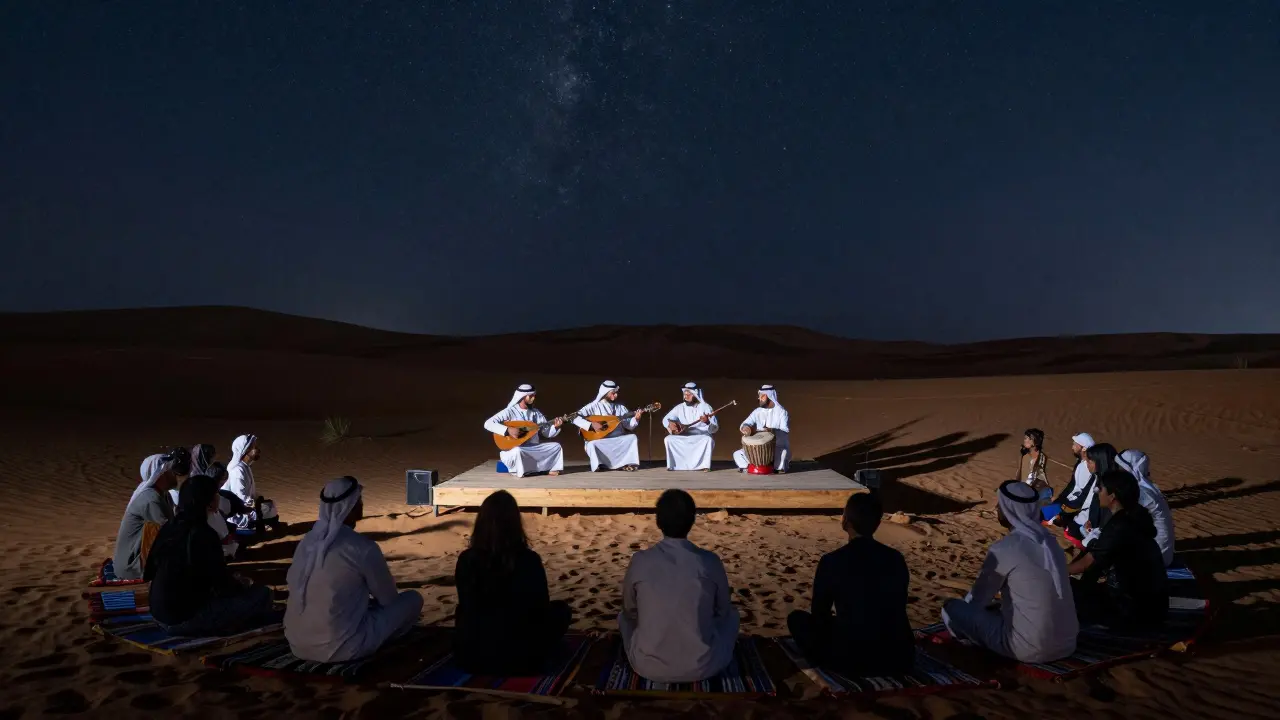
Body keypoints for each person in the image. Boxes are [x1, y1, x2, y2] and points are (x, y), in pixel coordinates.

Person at [284, 477, 424, 663]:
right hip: (344, 647)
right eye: (358, 501)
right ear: (349, 507)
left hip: (297, 644)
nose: (361, 505)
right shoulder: (361, 547)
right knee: (413, 599)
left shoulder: (306, 542)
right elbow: (388, 599)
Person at [941, 480, 1078, 664]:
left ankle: (969, 649)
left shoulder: (1005, 548)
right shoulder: (1052, 544)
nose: (997, 509)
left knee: (951, 608)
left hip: (1028, 648)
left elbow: (977, 601)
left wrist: (966, 615)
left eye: (1000, 505)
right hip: (1068, 644)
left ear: (1010, 510)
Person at [787, 492, 915, 675]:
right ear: (877, 523)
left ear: (846, 521)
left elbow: (819, 614)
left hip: (852, 660)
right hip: (900, 657)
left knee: (797, 620)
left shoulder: (832, 561)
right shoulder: (896, 558)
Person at [619, 489, 739, 683]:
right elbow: (723, 610)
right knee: (733, 617)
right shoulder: (709, 561)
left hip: (647, 666)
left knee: (624, 619)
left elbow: (629, 610)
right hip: (705, 666)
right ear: (692, 521)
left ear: (658, 522)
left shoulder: (640, 560)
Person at [453, 490, 573, 674]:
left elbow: (467, 604)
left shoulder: (467, 559)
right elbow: (540, 607)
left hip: (475, 655)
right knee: (561, 610)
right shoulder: (528, 559)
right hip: (522, 655)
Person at [144, 475, 277, 636]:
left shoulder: (170, 526)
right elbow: (222, 585)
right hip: (182, 620)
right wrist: (242, 584)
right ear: (210, 502)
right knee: (263, 594)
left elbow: (151, 569)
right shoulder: (204, 534)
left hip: (158, 614)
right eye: (216, 495)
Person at [1066, 470, 1169, 630]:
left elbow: (1086, 564)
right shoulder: (1136, 516)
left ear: (1112, 496)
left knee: (1065, 589)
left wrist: (1056, 570)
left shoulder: (1119, 526)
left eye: (1100, 489)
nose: (1097, 492)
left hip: (1133, 612)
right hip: (1155, 606)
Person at [112, 448, 190, 580]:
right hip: (132, 566)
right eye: (172, 471)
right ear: (162, 474)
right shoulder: (150, 499)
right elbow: (171, 533)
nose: (176, 475)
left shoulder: (164, 496)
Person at [483, 384, 565, 477]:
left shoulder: (536, 413)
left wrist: (556, 427)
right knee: (518, 451)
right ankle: (532, 471)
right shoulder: (509, 411)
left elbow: (546, 433)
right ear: (522, 397)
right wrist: (507, 430)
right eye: (530, 396)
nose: (533, 398)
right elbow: (488, 423)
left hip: (533, 448)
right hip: (514, 448)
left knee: (556, 447)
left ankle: (544, 470)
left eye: (534, 396)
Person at [1116, 449, 1175, 566]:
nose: (1118, 471)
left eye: (1122, 468)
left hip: (1157, 555)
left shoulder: (1141, 493)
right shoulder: (1144, 488)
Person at [571, 380, 643, 472]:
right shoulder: (593, 406)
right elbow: (574, 417)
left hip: (617, 441)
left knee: (632, 437)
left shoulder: (621, 408)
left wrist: (636, 419)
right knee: (591, 444)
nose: (616, 395)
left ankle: (627, 463)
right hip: (601, 441)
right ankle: (601, 464)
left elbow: (629, 426)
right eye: (613, 393)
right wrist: (590, 425)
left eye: (616, 393)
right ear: (604, 393)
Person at [221, 434, 283, 533]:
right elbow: (240, 497)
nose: (257, 450)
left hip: (246, 506)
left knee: (269, 505)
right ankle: (251, 526)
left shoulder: (245, 467)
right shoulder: (237, 470)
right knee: (268, 508)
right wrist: (256, 504)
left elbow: (250, 493)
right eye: (254, 447)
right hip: (238, 512)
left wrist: (259, 498)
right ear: (245, 450)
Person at [1047, 433, 1095, 541]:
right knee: (1046, 510)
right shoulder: (1080, 462)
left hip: (1076, 506)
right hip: (1069, 501)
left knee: (1048, 514)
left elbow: (1082, 496)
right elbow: (1072, 486)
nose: (1072, 447)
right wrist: (1059, 499)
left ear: (1083, 448)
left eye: (1075, 444)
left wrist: (1062, 506)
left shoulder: (1088, 468)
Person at [1072, 443, 1121, 547]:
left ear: (1100, 462)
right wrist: (1091, 521)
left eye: (1090, 461)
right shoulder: (1098, 478)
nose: (1087, 464)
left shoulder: (1112, 486)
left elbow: (1110, 516)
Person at [733, 385, 791, 473]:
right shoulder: (757, 411)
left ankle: (777, 468)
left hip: (775, 447)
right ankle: (749, 466)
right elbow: (746, 423)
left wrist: (771, 430)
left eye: (762, 396)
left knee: (782, 454)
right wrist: (746, 427)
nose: (759, 398)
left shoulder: (782, 412)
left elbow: (784, 430)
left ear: (769, 396)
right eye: (759, 396)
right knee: (737, 454)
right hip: (757, 449)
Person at [662, 382, 718, 471]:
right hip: (683, 435)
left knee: (707, 440)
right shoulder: (679, 407)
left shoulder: (705, 407)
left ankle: (704, 466)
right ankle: (674, 466)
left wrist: (707, 422)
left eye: (689, 394)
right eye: (685, 394)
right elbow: (665, 419)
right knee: (668, 439)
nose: (686, 397)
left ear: (696, 395)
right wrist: (671, 425)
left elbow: (714, 428)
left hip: (700, 436)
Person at [1020, 428, 1053, 507]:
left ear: (1036, 441)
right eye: (1025, 438)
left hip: (1038, 488)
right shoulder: (1025, 456)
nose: (1025, 440)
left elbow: (1036, 476)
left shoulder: (1041, 457)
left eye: (1029, 439)